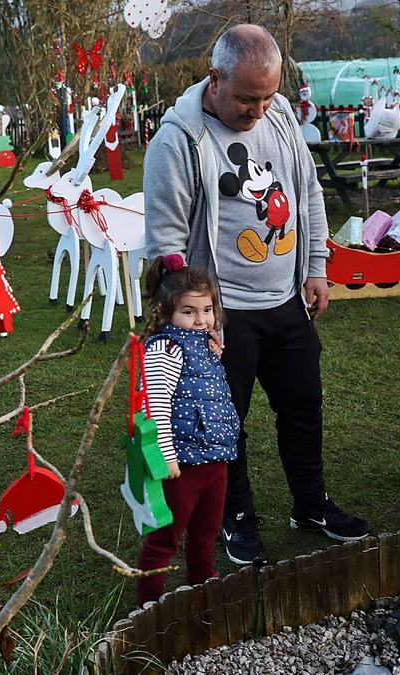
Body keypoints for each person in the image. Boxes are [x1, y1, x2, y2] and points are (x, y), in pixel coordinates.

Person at [144, 24, 370, 567]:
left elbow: (307, 192)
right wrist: (191, 323)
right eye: (248, 99)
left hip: (287, 301)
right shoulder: (178, 140)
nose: (259, 110)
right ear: (214, 77)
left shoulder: (283, 116)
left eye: (268, 97)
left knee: (303, 408)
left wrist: (316, 266)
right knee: (224, 423)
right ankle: (236, 518)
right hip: (224, 315)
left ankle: (310, 506)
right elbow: (165, 244)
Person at [136, 255, 239, 605]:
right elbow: (154, 402)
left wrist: (215, 354)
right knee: (164, 537)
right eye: (189, 312)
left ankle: (201, 583)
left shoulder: (205, 344)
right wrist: (164, 453)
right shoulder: (165, 348)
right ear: (166, 313)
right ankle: (148, 603)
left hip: (215, 459)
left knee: (206, 531)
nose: (201, 320)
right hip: (181, 463)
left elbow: (202, 391)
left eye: (207, 310)